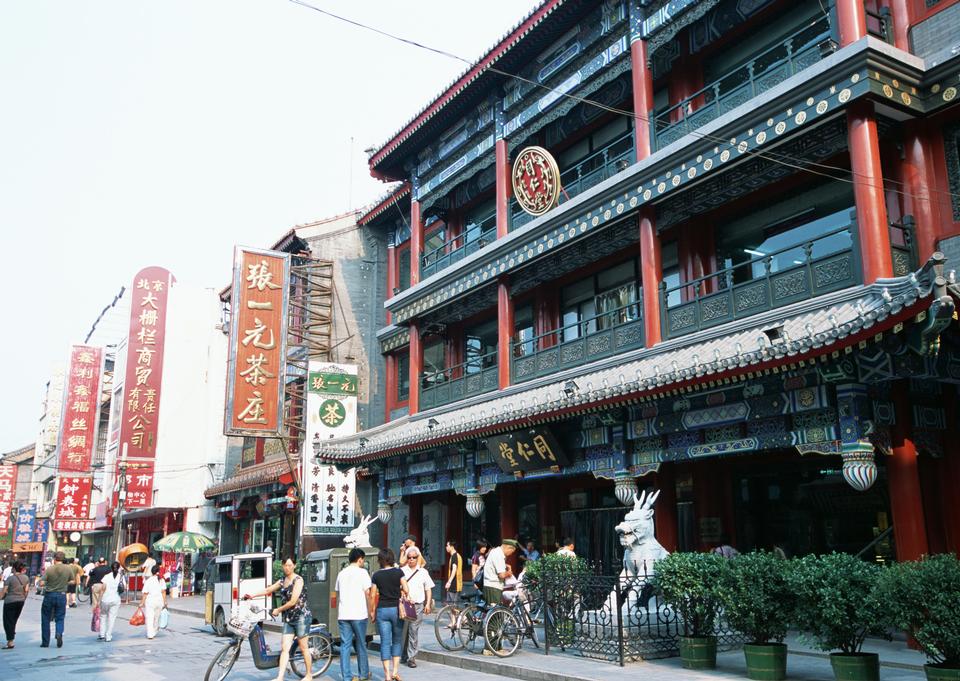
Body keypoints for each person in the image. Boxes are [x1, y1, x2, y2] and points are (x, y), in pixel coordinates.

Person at [244, 557, 314, 681]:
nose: (287, 568)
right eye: (285, 565)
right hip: (288, 618)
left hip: (301, 617)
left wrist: (278, 610)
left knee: (304, 648)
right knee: (284, 648)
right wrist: (252, 595)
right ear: (282, 566)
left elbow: (293, 601)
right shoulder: (282, 580)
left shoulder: (298, 580)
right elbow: (268, 589)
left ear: (294, 566)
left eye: (290, 565)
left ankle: (309, 675)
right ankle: (280, 677)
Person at [370, 548, 408, 681]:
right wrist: (400, 589)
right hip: (396, 610)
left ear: (380, 560)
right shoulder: (399, 572)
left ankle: (386, 675)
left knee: (385, 642)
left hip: (382, 610)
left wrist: (372, 611)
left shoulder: (376, 575)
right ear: (392, 559)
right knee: (397, 641)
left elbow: (373, 595)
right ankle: (395, 672)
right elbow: (407, 589)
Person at [335, 548, 372, 681]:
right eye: (363, 560)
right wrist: (371, 610)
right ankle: (363, 675)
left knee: (345, 646)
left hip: (344, 614)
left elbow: (338, 593)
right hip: (359, 614)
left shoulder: (341, 573)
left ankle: (347, 677)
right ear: (360, 559)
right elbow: (368, 593)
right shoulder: (363, 573)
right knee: (361, 644)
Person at [400, 546, 433, 668]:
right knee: (404, 631)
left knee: (413, 631)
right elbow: (399, 588)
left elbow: (428, 589)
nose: (411, 560)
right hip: (405, 605)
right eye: (409, 557)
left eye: (414, 557)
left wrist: (428, 603)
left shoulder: (423, 572)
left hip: (418, 605)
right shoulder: (402, 571)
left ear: (418, 558)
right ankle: (403, 655)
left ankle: (411, 657)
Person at [39, 550, 74, 647]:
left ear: (55, 559)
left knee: (45, 618)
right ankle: (59, 632)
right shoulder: (68, 569)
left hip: (49, 595)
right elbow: (73, 581)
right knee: (60, 617)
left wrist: (47, 583)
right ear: (63, 559)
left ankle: (45, 642)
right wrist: (64, 583)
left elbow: (41, 583)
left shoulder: (50, 569)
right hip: (62, 595)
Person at [482, 539, 519, 607]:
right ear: (508, 548)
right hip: (493, 587)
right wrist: (509, 573)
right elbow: (502, 575)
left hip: (490, 585)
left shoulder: (495, 551)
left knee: (492, 610)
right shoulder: (499, 555)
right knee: (495, 613)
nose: (511, 554)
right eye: (512, 552)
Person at [1, 561, 29, 649]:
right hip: (20, 601)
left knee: (8, 621)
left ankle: (10, 641)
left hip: (10, 601)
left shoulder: (10, 579)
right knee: (14, 620)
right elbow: (26, 590)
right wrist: (24, 598)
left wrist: (1, 597)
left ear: (13, 568)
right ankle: (11, 636)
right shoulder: (26, 578)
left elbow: (4, 591)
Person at [139, 564, 167, 639]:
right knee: (157, 618)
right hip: (159, 601)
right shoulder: (161, 580)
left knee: (150, 617)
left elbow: (145, 593)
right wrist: (165, 602)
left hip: (150, 601)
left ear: (152, 572)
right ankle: (154, 631)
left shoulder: (148, 580)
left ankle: (150, 634)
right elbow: (163, 592)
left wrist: (142, 602)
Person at [98, 561, 124, 642]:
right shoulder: (121, 577)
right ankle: (108, 635)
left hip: (105, 599)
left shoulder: (107, 576)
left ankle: (102, 634)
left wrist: (99, 600)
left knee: (103, 616)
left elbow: (103, 588)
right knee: (111, 618)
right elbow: (124, 587)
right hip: (116, 599)